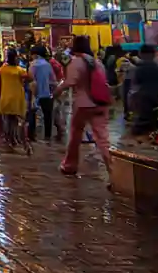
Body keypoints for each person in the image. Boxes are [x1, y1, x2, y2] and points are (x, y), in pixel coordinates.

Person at [54, 35, 112, 178]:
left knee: (75, 135)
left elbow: (70, 82)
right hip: (100, 103)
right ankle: (113, 170)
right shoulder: (97, 63)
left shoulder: (77, 62)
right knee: (103, 138)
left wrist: (56, 91)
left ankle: (70, 165)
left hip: (83, 105)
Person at [128, 44, 158, 136]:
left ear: (141, 54)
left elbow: (132, 88)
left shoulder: (138, 69)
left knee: (139, 131)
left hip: (142, 103)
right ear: (153, 54)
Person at [0, 48, 31, 154]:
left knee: (7, 119)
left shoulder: (3, 69)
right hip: (17, 97)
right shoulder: (19, 70)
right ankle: (19, 140)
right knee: (18, 120)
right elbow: (30, 77)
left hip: (5, 96)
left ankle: (9, 139)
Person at [27, 46, 57, 141]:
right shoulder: (47, 65)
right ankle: (47, 136)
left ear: (35, 54)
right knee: (48, 116)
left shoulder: (33, 65)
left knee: (32, 115)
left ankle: (31, 136)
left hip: (35, 95)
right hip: (46, 94)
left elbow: (31, 80)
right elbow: (53, 80)